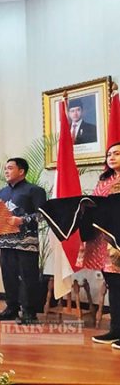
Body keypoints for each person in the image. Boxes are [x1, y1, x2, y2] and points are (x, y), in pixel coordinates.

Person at [0, 157, 47, 324]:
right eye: (5, 168)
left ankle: (29, 312)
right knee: (8, 277)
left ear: (21, 171)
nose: (6, 171)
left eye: (10, 168)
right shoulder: (1, 192)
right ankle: (11, 309)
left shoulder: (35, 190)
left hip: (26, 243)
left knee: (28, 277)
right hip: (5, 243)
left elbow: (43, 215)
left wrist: (22, 220)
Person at [80, 142, 120, 348]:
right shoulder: (105, 180)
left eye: (117, 154)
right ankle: (116, 330)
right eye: (109, 154)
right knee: (114, 286)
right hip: (104, 241)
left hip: (118, 239)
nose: (111, 157)